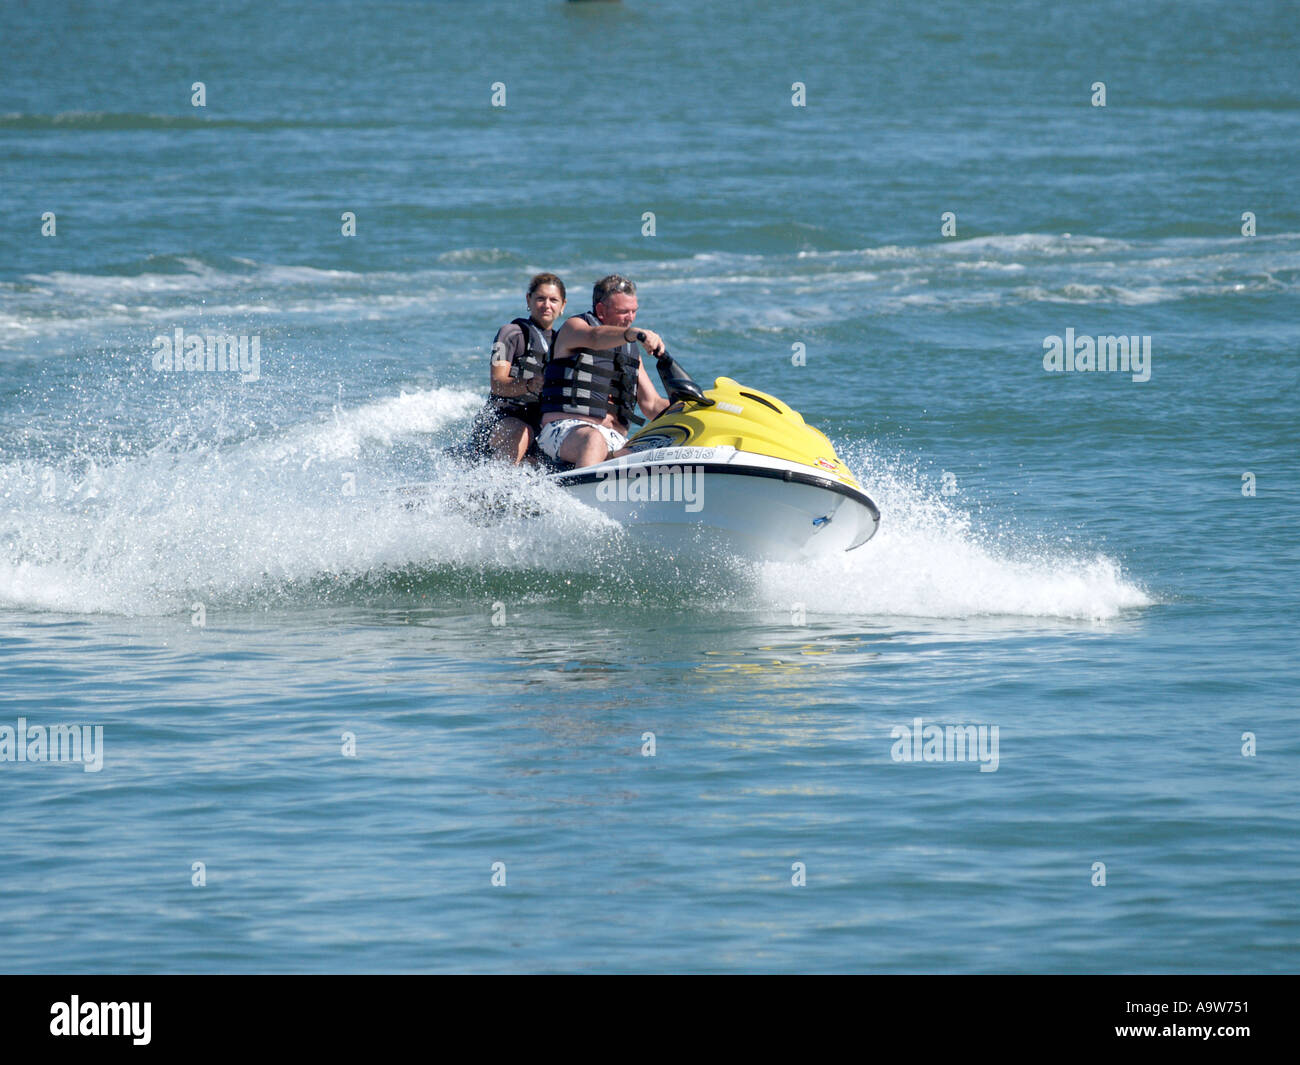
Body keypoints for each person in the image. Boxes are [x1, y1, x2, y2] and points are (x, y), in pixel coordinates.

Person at [536, 275, 671, 468]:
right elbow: (594, 338)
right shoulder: (575, 328)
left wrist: (691, 408)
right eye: (623, 311)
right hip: (565, 430)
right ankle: (577, 496)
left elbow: (652, 404)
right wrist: (633, 334)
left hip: (614, 438)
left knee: (659, 448)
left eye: (634, 311)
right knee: (593, 439)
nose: (630, 318)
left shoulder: (630, 350)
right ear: (601, 310)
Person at [468, 273, 567, 463]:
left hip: (538, 424)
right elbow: (497, 384)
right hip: (500, 419)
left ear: (563, 305)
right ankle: (493, 488)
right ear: (528, 300)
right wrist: (530, 385)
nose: (547, 305)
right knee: (523, 432)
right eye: (540, 298)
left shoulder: (562, 343)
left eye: (553, 300)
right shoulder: (510, 334)